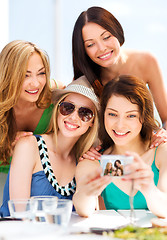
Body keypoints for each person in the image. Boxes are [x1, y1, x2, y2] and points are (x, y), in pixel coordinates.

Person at [0, 75, 103, 217]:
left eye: (85, 113)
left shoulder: (83, 162)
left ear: (92, 122)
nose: (73, 117)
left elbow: (91, 212)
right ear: (58, 109)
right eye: (68, 108)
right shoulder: (29, 146)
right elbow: (20, 215)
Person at [73, 75, 167, 218]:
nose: (120, 125)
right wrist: (86, 192)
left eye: (131, 116)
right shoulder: (93, 162)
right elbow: (85, 210)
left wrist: (148, 187)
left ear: (144, 116)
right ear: (103, 114)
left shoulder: (162, 152)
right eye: (112, 114)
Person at [72, 6, 167, 127]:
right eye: (90, 44)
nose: (102, 48)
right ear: (83, 50)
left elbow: (165, 118)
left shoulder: (146, 61)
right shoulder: (84, 83)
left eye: (106, 37)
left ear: (116, 32)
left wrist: (162, 138)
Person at [0, 40, 64, 173]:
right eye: (25, 75)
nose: (35, 83)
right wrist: (7, 148)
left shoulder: (53, 95)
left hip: (40, 180)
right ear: (8, 75)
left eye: (41, 73)